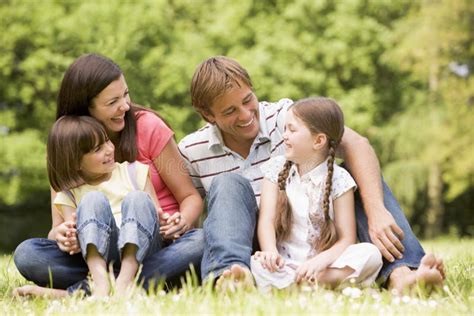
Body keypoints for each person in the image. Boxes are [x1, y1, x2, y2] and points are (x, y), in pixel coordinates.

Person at [178, 56, 444, 293]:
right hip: (256, 250)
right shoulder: (191, 151)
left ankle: (402, 274)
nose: (247, 115)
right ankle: (233, 278)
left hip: (313, 239)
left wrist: (375, 210)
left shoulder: (286, 118)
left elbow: (356, 145)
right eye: (230, 111)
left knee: (355, 175)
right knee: (228, 185)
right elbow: (187, 210)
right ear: (208, 115)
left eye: (248, 100)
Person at [14, 53, 204, 296]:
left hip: (153, 246)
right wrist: (61, 236)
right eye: (112, 102)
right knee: (29, 255)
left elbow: (191, 197)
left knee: (201, 241)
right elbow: (58, 227)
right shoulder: (66, 148)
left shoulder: (148, 127)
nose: (124, 106)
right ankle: (129, 285)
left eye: (125, 95)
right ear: (86, 107)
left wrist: (181, 222)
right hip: (94, 252)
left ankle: (85, 291)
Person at [250, 97, 382, 292]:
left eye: (292, 130)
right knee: (256, 263)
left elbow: (347, 239)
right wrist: (270, 252)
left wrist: (319, 262)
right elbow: (266, 221)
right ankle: (315, 284)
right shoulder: (275, 169)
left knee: (370, 254)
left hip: (324, 265)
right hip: (284, 263)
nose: (284, 135)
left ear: (319, 140)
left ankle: (303, 284)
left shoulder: (340, 179)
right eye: (284, 129)